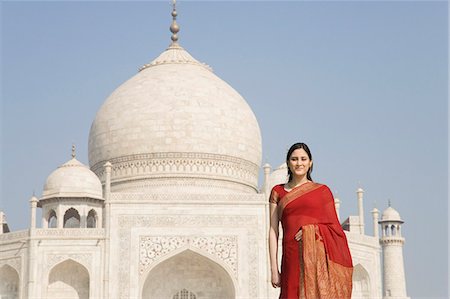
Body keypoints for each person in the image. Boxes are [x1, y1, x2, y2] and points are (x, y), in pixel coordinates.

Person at [268, 142, 353, 299]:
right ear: (288, 162)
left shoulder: (322, 191)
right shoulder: (277, 192)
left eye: (303, 159)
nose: (299, 163)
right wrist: (274, 269)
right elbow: (273, 231)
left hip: (316, 260)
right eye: (294, 159)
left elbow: (335, 230)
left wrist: (312, 230)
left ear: (310, 162)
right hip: (291, 259)